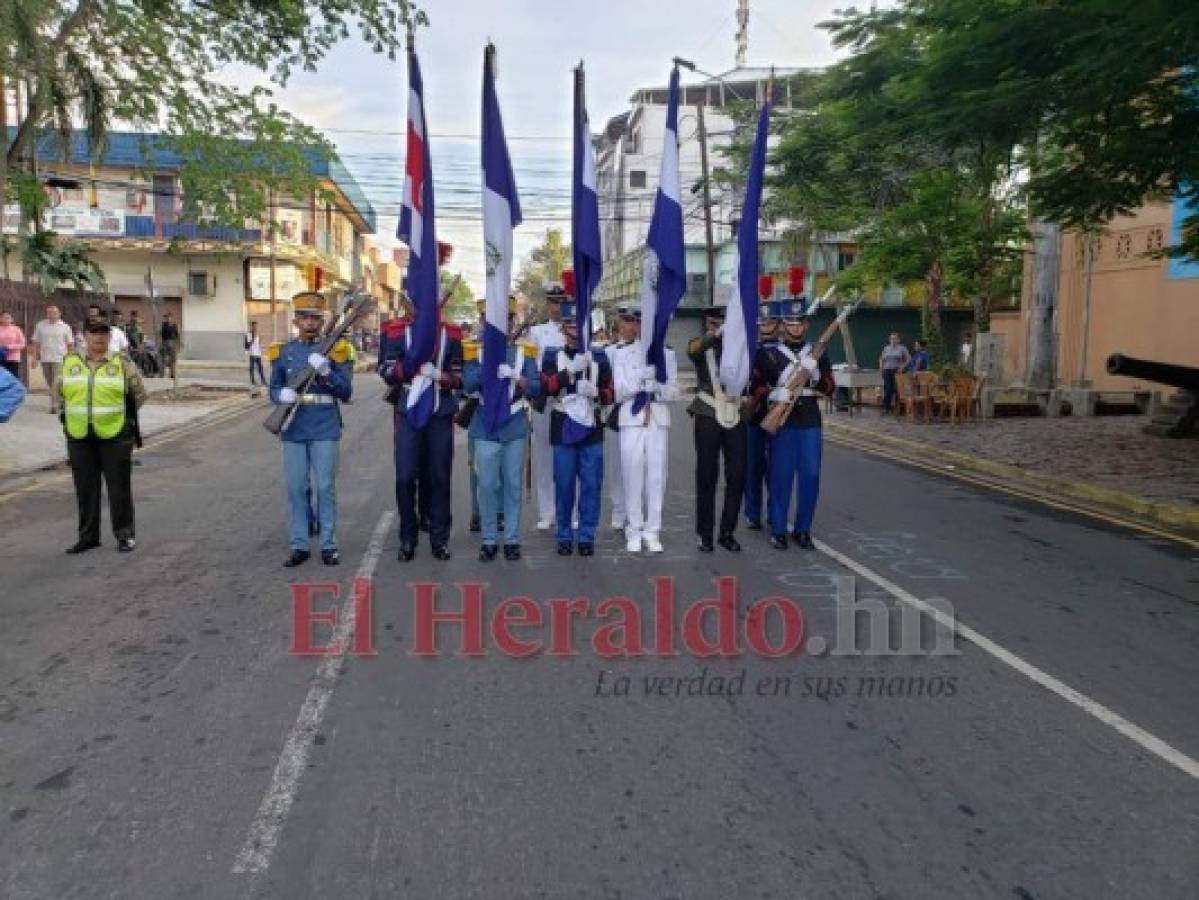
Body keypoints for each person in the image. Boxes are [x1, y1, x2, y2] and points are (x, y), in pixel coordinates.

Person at [268, 292, 353, 567]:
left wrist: (327, 373)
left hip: (325, 424)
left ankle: (328, 544)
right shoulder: (284, 352)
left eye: (315, 318)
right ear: (295, 321)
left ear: (321, 321)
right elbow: (274, 387)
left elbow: (346, 391)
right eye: (304, 317)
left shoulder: (336, 350)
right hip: (293, 425)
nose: (309, 322)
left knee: (325, 487)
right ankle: (299, 545)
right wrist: (281, 396)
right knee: (296, 488)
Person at [378, 301, 464, 562]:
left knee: (439, 476)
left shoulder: (451, 334)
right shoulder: (394, 332)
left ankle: (439, 539)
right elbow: (385, 370)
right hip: (407, 410)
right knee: (405, 477)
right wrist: (408, 367)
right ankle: (407, 536)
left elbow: (459, 376)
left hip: (439, 412)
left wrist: (440, 376)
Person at [752, 298, 836, 550]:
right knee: (781, 476)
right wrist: (772, 395)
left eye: (800, 323)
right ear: (782, 325)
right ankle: (778, 529)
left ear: (806, 325)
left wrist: (816, 379)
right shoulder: (768, 353)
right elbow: (754, 385)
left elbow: (831, 388)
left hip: (810, 419)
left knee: (810, 475)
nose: (795, 328)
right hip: (783, 421)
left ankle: (803, 529)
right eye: (790, 323)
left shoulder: (817, 352)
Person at [57, 321, 147, 553]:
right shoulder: (69, 362)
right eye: (94, 333)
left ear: (110, 337)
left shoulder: (122, 363)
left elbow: (140, 394)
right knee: (85, 489)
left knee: (119, 488)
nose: (99, 338)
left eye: (104, 334)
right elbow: (59, 392)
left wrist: (125, 420)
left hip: (115, 434)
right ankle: (88, 537)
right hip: (79, 435)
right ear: (84, 336)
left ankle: (125, 535)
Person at [462, 304, 540, 561]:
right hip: (485, 424)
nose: (498, 324)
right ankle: (488, 538)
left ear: (511, 321)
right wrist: (487, 371)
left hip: (515, 423)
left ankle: (512, 539)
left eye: (505, 319)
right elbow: (468, 385)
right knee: (486, 484)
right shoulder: (476, 350)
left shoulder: (523, 351)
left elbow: (536, 387)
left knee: (513, 484)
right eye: (491, 319)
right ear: (484, 321)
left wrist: (517, 377)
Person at [539, 301, 614, 557]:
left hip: (591, 426)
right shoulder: (552, 355)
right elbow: (545, 388)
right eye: (569, 324)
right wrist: (569, 373)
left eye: (578, 325)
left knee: (592, 483)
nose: (574, 329)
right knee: (564, 483)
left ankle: (586, 534)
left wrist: (596, 392)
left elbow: (610, 393)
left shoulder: (600, 356)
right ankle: (563, 534)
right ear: (563, 328)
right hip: (563, 424)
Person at [612, 306, 680, 553]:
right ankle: (634, 529)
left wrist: (657, 387)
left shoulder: (667, 354)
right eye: (634, 322)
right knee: (632, 474)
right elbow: (618, 392)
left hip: (657, 419)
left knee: (656, 476)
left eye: (642, 322)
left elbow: (675, 392)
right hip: (631, 418)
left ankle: (653, 530)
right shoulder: (621, 354)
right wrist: (639, 380)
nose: (638, 327)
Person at [687, 304, 746, 553]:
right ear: (708, 324)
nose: (718, 326)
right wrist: (716, 334)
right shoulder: (701, 342)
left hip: (736, 414)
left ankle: (727, 532)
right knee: (707, 476)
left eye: (722, 323)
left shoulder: (740, 347)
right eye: (713, 323)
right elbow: (693, 351)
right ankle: (705, 534)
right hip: (708, 413)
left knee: (737, 475)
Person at [528, 285, 566, 531]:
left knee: (567, 459)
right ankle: (547, 511)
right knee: (544, 457)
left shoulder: (576, 329)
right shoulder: (537, 331)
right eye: (553, 301)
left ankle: (568, 511)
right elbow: (531, 364)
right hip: (545, 398)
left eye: (561, 301)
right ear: (547, 303)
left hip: (568, 401)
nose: (557, 306)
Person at [744, 300, 782, 531]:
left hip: (783, 416)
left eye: (771, 321)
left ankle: (775, 512)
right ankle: (752, 511)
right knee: (753, 465)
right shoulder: (751, 349)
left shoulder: (788, 351)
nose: (767, 325)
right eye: (763, 321)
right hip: (757, 413)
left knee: (777, 468)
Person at [603, 303, 638, 531]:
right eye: (625, 321)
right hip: (617, 412)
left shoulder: (648, 351)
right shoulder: (609, 352)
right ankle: (618, 510)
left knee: (637, 466)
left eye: (633, 321)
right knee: (617, 466)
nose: (629, 326)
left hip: (641, 413)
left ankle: (635, 510)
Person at [30, 305, 75, 414]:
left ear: (59, 314)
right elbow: (36, 343)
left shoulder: (65, 327)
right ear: (47, 314)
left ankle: (54, 405)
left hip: (60, 358)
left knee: (56, 381)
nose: (52, 315)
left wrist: (71, 359)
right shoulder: (40, 325)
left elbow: (70, 344)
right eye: (49, 312)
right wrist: (34, 358)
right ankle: (61, 400)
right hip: (45, 358)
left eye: (54, 312)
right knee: (50, 381)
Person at [878, 331, 910, 414]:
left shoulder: (902, 348)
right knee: (887, 389)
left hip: (897, 371)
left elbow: (908, 359)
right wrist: (881, 368)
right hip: (887, 370)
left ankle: (898, 408)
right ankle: (886, 408)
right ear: (889, 340)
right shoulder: (886, 348)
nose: (893, 340)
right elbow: (881, 359)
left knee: (897, 390)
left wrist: (902, 367)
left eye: (895, 338)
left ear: (898, 340)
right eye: (892, 338)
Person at [0, 310, 26, 378]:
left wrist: (9, 347)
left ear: (12, 319)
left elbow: (22, 344)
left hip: (13, 358)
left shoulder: (16, 329)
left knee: (13, 377)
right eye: (3, 317)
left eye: (8, 318)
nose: (6, 319)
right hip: (1, 357)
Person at [159, 311, 181, 378]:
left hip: (172, 343)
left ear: (171, 318)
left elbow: (177, 336)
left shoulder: (175, 325)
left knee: (173, 360)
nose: (168, 318)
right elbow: (161, 335)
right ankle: (162, 374)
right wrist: (161, 345)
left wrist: (178, 345)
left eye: (169, 317)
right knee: (163, 359)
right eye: (166, 317)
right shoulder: (163, 325)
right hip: (165, 343)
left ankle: (172, 374)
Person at [245, 320, 266, 386]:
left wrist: (261, 350)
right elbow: (248, 345)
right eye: (254, 326)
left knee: (260, 368)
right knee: (252, 368)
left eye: (256, 326)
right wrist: (253, 337)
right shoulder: (249, 334)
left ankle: (263, 381)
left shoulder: (258, 334)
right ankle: (252, 381)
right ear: (251, 326)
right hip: (252, 354)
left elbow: (259, 343)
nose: (255, 327)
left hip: (258, 354)